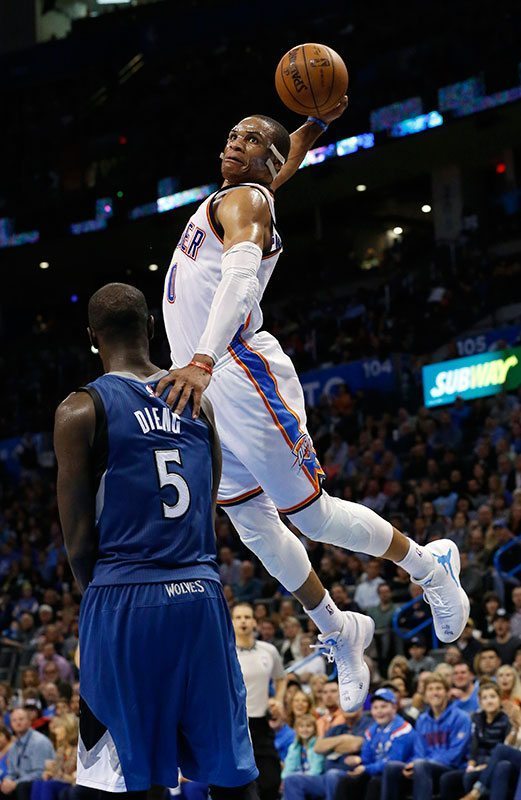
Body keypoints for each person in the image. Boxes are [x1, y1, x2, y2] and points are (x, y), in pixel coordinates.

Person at [157, 103, 470, 712]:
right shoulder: (240, 193)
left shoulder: (249, 201)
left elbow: (242, 280)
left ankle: (431, 567)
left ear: (264, 163)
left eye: (249, 138)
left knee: (315, 517)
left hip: (234, 371)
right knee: (256, 529)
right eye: (232, 131)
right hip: (208, 385)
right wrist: (311, 129)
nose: (233, 141)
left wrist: (199, 361)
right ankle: (339, 629)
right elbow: (276, 166)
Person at [53, 284, 259, 799]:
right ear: (150, 326)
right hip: (200, 593)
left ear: (92, 338)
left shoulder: (79, 410)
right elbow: (207, 503)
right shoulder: (197, 404)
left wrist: (108, 599)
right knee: (231, 774)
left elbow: (78, 541)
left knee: (125, 780)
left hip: (125, 598)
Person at [381, 674, 472, 800]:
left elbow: (455, 754)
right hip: (424, 766)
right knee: (392, 767)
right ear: (425, 696)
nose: (435, 693)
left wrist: (422, 764)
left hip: (453, 767)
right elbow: (419, 751)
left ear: (447, 693)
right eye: (430, 689)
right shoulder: (422, 720)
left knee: (420, 765)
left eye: (439, 688)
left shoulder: (461, 717)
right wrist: (413, 765)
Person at [232, 602, 286, 800]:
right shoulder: (226, 653)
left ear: (255, 622)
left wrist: (278, 700)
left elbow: (281, 678)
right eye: (238, 617)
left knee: (271, 781)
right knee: (243, 786)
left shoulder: (268, 650)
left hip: (262, 723)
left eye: (247, 617)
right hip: (235, 726)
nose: (243, 621)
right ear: (231, 622)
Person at [333, 688, 415, 800]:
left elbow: (394, 761)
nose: (379, 711)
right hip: (376, 771)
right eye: (375, 708)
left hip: (401, 776)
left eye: (383, 706)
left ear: (394, 708)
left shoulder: (403, 729)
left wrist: (366, 769)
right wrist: (360, 761)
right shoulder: (372, 730)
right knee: (346, 781)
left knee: (375, 782)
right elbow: (367, 758)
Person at [439, 681, 511, 800]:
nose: (489, 701)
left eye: (493, 696)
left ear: (500, 699)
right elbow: (474, 745)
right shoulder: (476, 718)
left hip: (496, 765)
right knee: (447, 779)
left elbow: (505, 749)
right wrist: (471, 764)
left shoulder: (506, 720)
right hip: (477, 764)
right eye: (485, 698)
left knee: (470, 777)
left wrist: (485, 766)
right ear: (480, 702)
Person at [1, 709, 55, 800]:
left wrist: (16, 783)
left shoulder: (39, 742)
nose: (18, 723)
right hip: (20, 783)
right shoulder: (13, 747)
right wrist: (7, 780)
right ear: (11, 724)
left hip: (39, 782)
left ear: (29, 721)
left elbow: (40, 772)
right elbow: (11, 772)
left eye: (21, 719)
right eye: (14, 720)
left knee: (22, 787)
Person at [281, 715, 324, 782]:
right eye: (301, 726)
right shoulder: (293, 747)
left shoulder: (318, 745)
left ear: (315, 729)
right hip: (298, 779)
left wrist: (299, 778)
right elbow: (288, 769)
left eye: (308, 726)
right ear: (297, 729)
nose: (305, 729)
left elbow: (316, 770)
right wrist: (284, 779)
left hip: (314, 780)